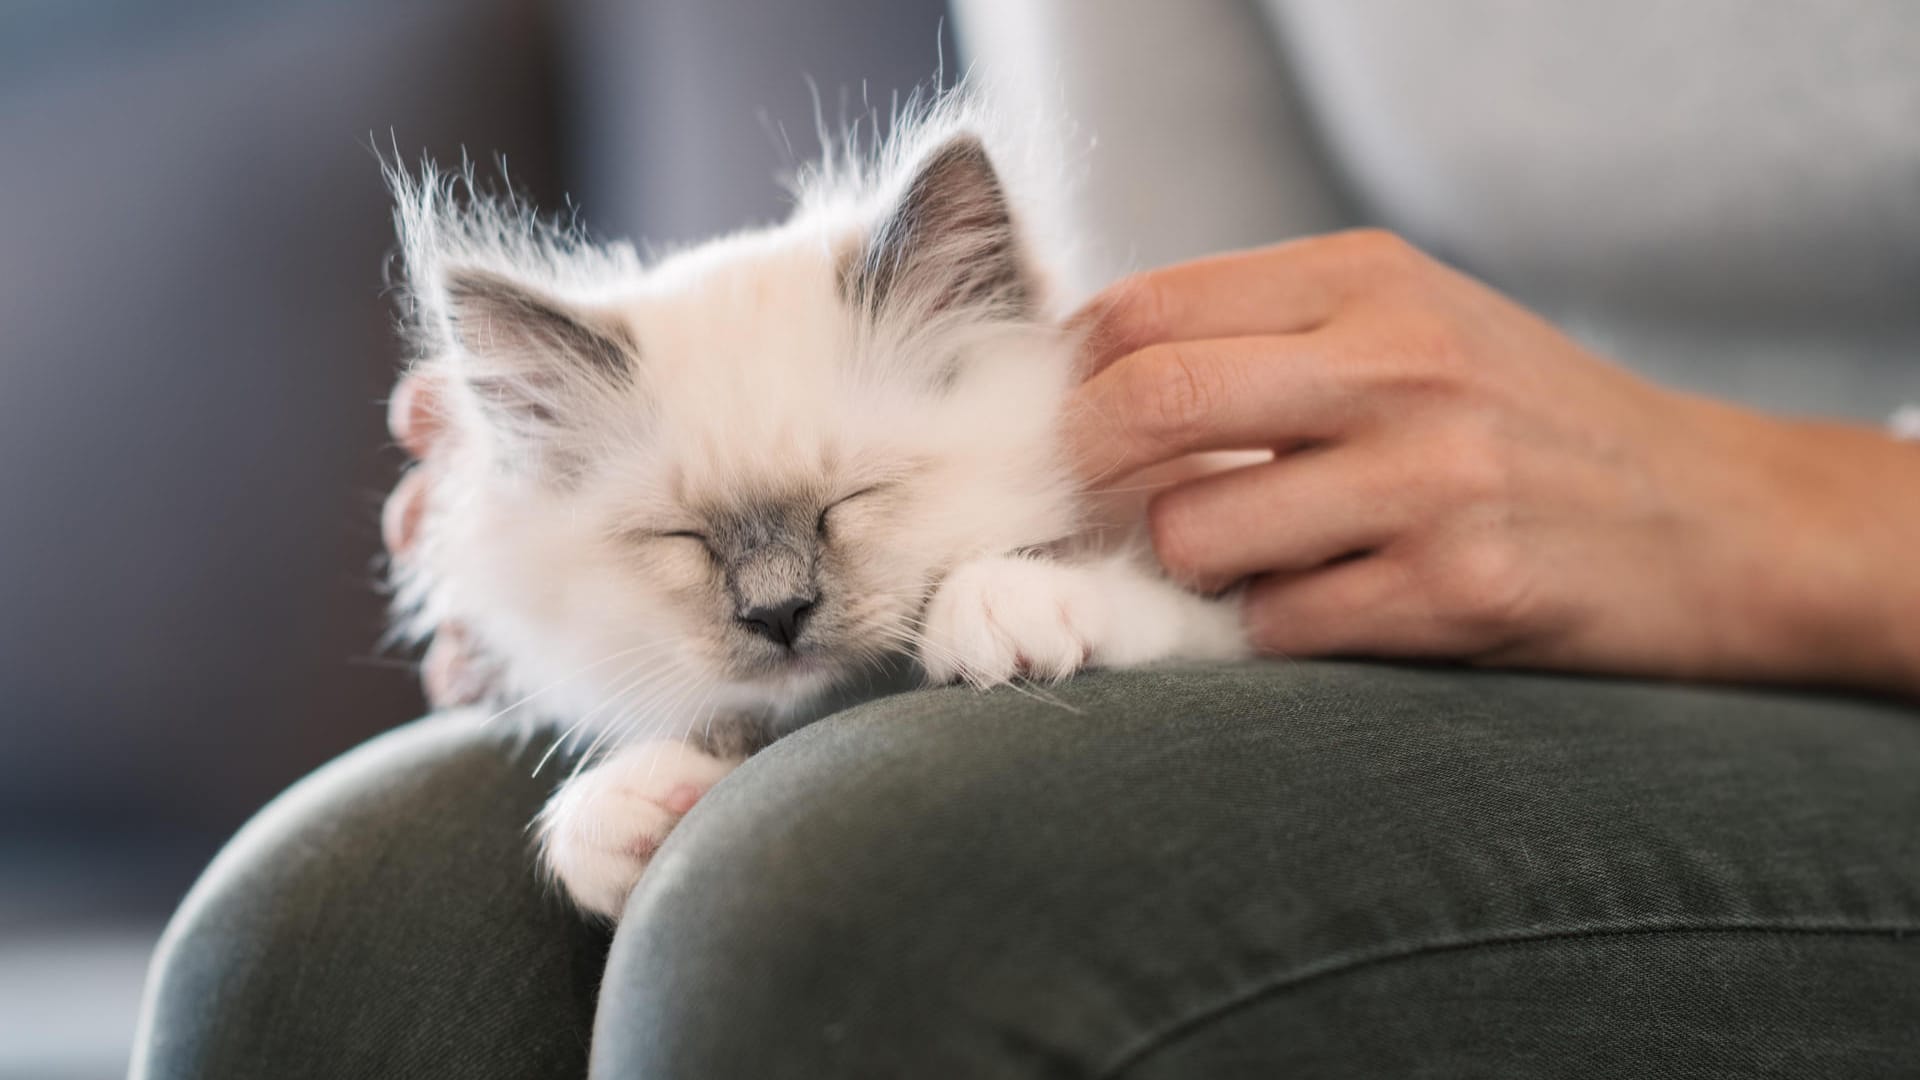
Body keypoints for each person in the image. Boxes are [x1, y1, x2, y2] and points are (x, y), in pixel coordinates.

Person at [134, 4, 1920, 1076]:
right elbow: (1145, 340)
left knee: (838, 910)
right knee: (332, 936)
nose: (769, 594)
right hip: (1426, 590)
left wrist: (1737, 508)